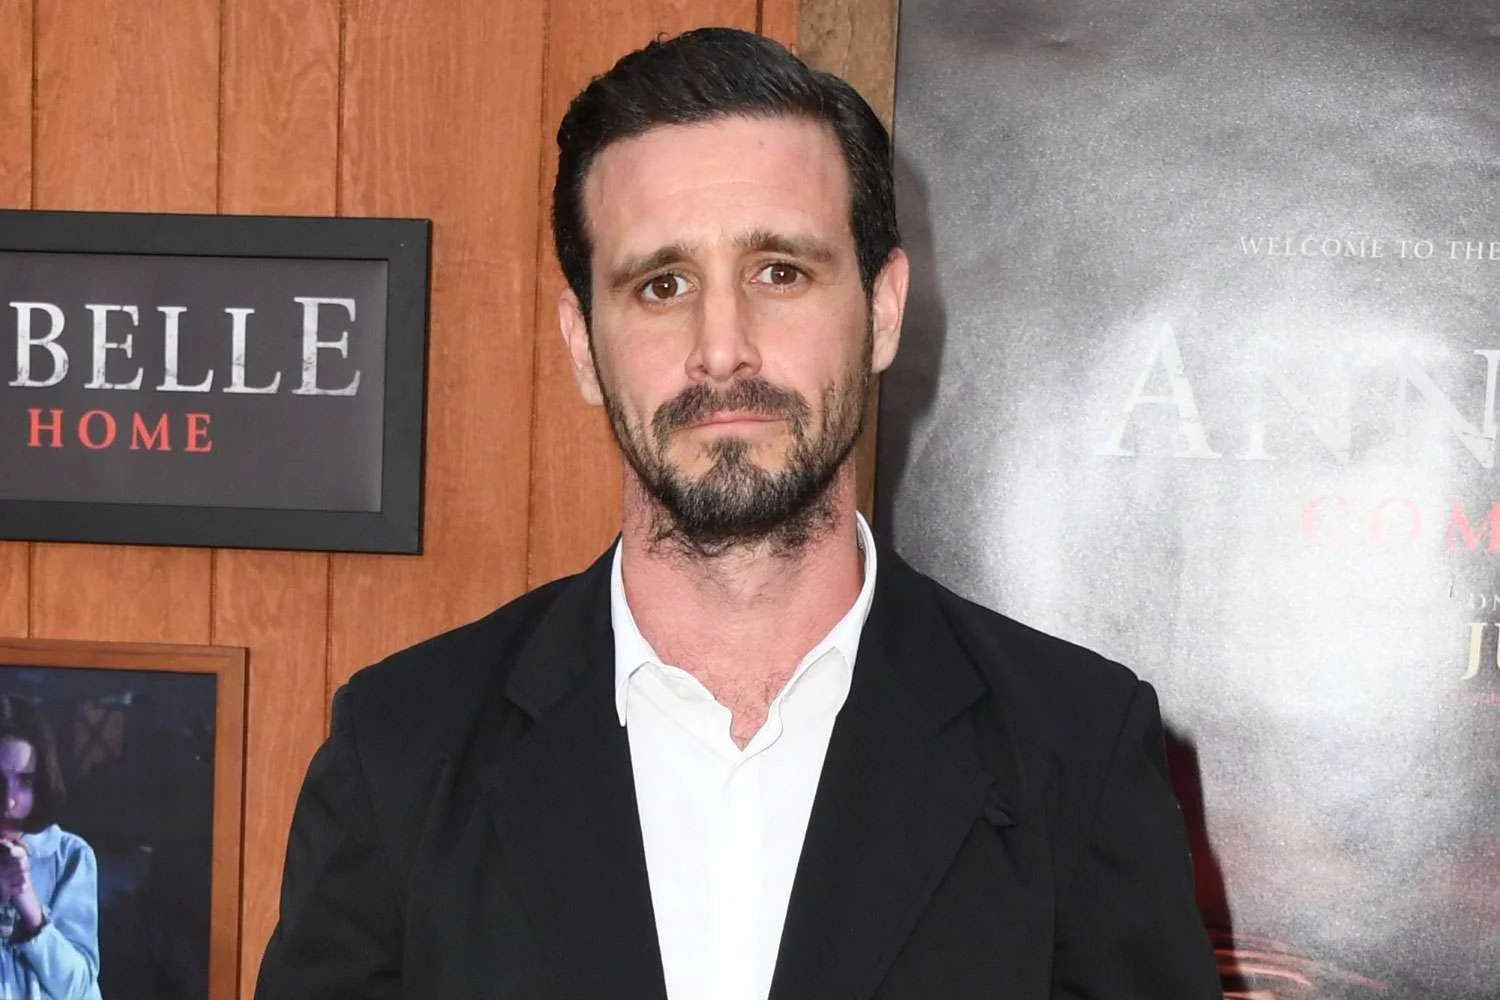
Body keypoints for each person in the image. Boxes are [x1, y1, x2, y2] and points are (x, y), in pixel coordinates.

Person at [255, 27, 1221, 1000]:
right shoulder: (402, 752)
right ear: (584, 343)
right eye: (662, 285)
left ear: (883, 309)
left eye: (779, 272)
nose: (721, 348)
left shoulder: (1074, 754)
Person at [0, 696, 102, 1000]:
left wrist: (29, 905)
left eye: (25, 781)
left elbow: (78, 988)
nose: (9, 800)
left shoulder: (70, 856)